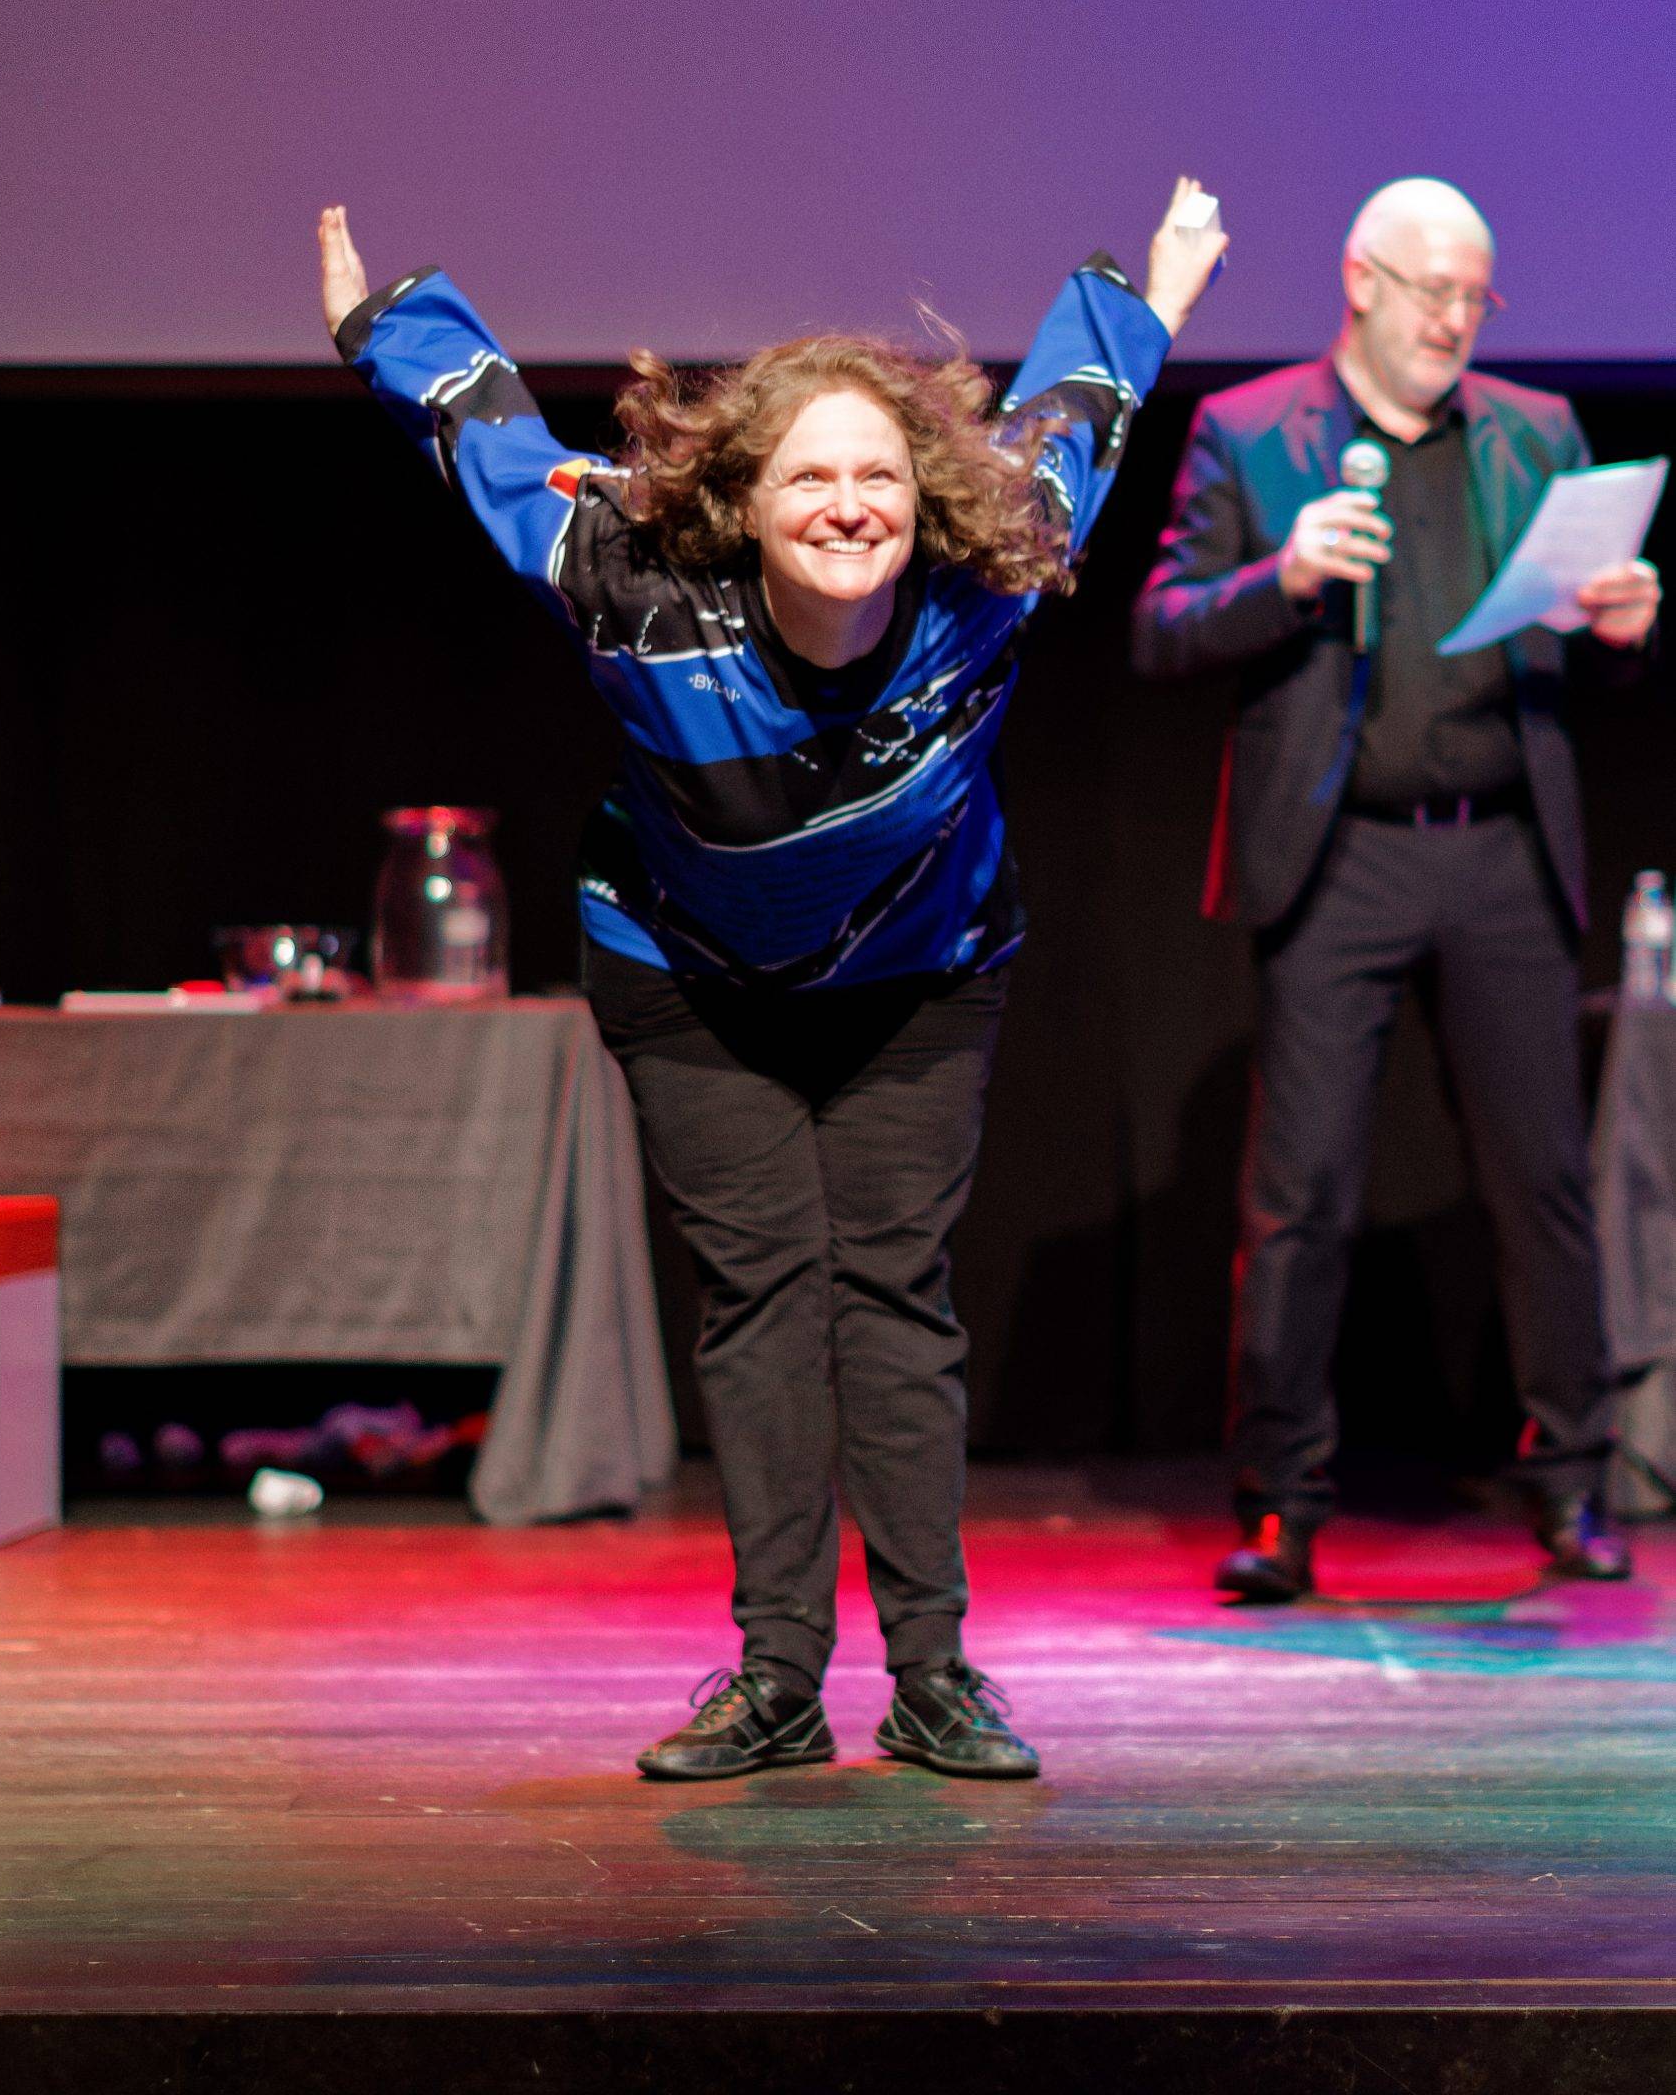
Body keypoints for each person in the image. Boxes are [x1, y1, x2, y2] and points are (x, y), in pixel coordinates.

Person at [321, 184, 1227, 1770]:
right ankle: (780, 1682)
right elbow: (498, 450)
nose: (850, 502)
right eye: (812, 473)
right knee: (761, 1301)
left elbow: (1076, 412)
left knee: (892, 1297)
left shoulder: (995, 565)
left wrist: (1150, 290)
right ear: (745, 502)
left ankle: (937, 1678)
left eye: (880, 473)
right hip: (689, 977)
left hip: (920, 974)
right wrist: (383, 319)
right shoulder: (629, 581)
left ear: (924, 494)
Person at [1132, 177, 1659, 1603]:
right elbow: (1161, 628)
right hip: (1341, 851)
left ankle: (1572, 1485)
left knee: (1541, 1183)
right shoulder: (1250, 432)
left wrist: (1621, 617)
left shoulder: (1534, 430)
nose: (1454, 320)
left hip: (1501, 843)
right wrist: (1284, 577)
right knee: (1298, 1197)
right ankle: (1280, 1505)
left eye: (1476, 297)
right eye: (1433, 290)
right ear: (1360, 280)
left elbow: (1587, 610)